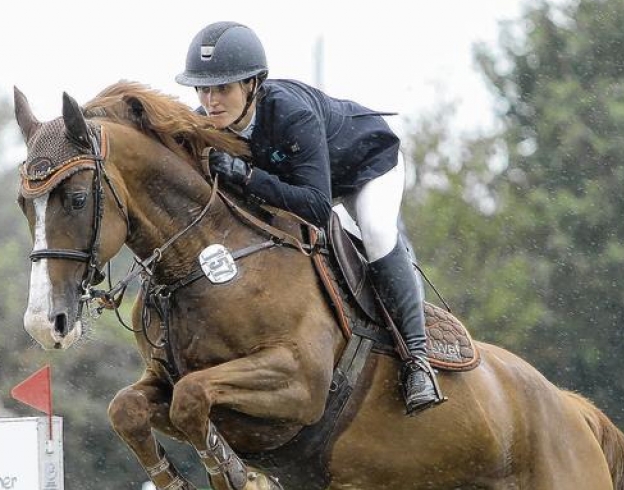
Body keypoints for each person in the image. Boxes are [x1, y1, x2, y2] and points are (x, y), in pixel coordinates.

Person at [176, 21, 443, 416]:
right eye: (203, 89)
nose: (211, 101)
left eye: (223, 88)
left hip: (365, 167)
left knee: (376, 232)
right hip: (310, 180)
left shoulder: (289, 115)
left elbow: (318, 208)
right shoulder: (208, 122)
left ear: (252, 85)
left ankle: (418, 360)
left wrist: (247, 176)